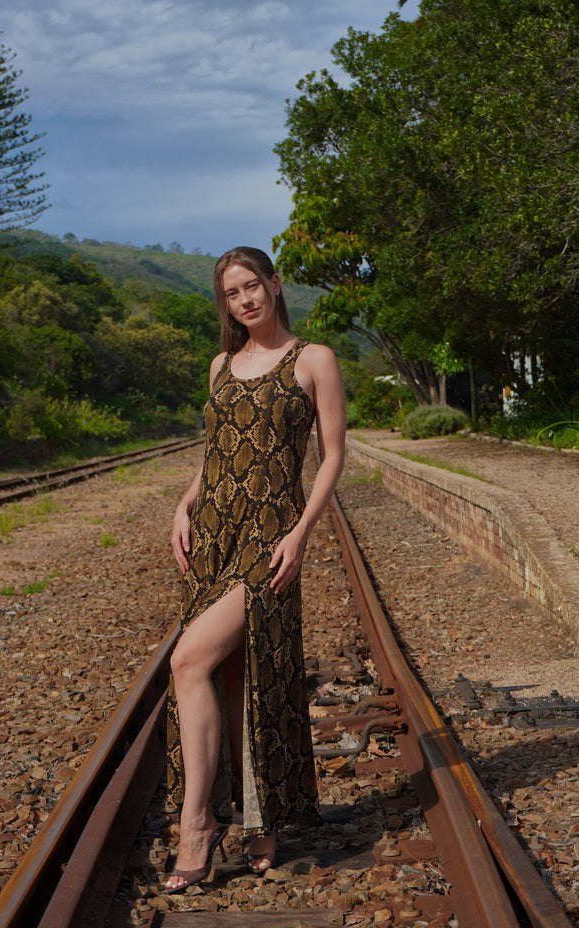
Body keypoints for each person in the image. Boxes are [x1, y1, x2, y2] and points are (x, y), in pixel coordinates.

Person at [166, 245, 346, 893]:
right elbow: (214, 451)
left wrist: (301, 533)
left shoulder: (313, 359)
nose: (244, 300)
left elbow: (332, 456)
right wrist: (184, 504)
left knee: (188, 660)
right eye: (231, 293)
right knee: (235, 673)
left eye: (252, 286)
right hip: (214, 532)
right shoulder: (221, 364)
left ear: (274, 283)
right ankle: (257, 819)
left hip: (269, 536)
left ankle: (196, 826)